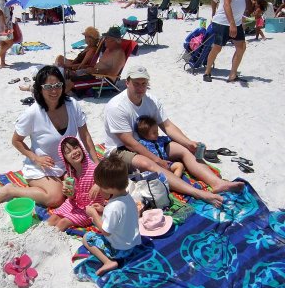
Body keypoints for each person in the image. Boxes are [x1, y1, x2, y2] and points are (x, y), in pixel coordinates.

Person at [104, 65, 244, 208]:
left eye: (143, 84)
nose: (140, 88)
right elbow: (130, 143)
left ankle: (217, 183)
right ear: (127, 83)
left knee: (183, 150)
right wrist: (157, 159)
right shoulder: (117, 107)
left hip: (147, 141)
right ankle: (198, 193)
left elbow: (168, 126)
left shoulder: (151, 100)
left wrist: (189, 143)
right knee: (148, 164)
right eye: (136, 84)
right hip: (120, 150)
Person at [0, 66, 99, 207]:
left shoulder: (72, 105)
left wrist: (96, 163)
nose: (54, 91)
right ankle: (13, 190)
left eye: (58, 85)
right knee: (56, 198)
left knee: (93, 188)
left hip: (69, 163)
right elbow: (16, 141)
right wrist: (36, 158)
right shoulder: (32, 113)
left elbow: (85, 135)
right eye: (48, 86)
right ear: (40, 89)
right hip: (42, 166)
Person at [83, 155, 142, 276]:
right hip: (134, 243)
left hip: (121, 249)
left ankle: (108, 261)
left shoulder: (113, 207)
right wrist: (103, 209)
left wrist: (94, 214)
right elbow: (122, 214)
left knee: (87, 237)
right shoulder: (128, 197)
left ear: (108, 189)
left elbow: (106, 232)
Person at [48, 137, 104, 231]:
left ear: (81, 148)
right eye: (68, 152)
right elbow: (71, 197)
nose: (74, 152)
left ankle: (51, 239)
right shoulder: (69, 174)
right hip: (73, 204)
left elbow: (107, 180)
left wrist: (98, 184)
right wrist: (69, 193)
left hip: (90, 209)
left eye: (75, 147)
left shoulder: (94, 170)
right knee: (54, 217)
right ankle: (42, 234)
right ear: (65, 158)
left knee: (63, 222)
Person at [65, 26, 126, 93]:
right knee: (69, 74)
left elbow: (113, 73)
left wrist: (96, 71)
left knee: (71, 82)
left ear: (113, 40)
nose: (104, 40)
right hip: (95, 74)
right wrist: (91, 70)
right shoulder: (108, 50)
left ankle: (59, 99)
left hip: (104, 80)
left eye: (106, 38)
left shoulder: (119, 54)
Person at [203, 0, 247, 83]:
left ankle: (233, 75)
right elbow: (226, 4)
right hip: (223, 22)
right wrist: (232, 23)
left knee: (241, 47)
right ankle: (207, 72)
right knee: (217, 48)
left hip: (237, 22)